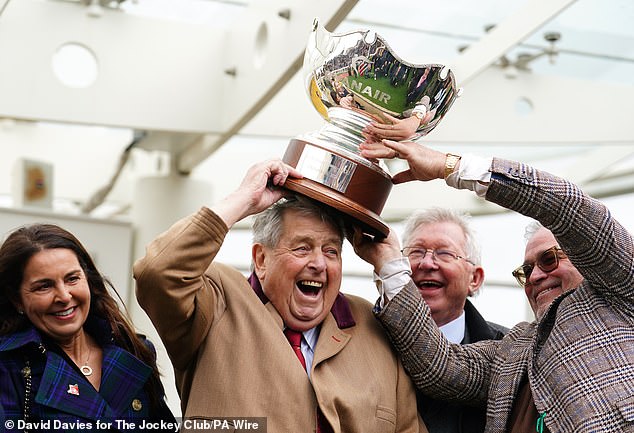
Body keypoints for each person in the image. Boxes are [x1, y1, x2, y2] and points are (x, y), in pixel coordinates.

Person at [352, 138, 634, 432]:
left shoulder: (621, 292)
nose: (536, 276)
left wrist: (450, 167)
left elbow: (569, 208)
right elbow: (439, 366)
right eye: (526, 270)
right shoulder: (512, 348)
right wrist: (389, 263)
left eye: (549, 259)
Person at [133, 160, 425, 433]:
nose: (319, 263)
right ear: (261, 260)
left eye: (331, 251)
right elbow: (157, 272)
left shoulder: (373, 326)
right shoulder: (219, 299)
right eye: (302, 248)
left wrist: (389, 261)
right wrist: (243, 200)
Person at [0, 224, 176, 432]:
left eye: (72, 279)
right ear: (16, 299)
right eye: (44, 286)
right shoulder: (8, 366)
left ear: (88, 279)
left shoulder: (133, 350)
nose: (64, 296)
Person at [398, 208, 507, 433]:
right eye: (416, 252)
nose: (427, 263)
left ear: (474, 279)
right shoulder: (364, 339)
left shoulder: (508, 351)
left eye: (444, 253)